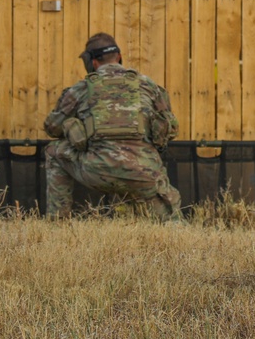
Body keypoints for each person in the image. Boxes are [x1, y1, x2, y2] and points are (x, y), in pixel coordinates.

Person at [43, 33, 182, 221]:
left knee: (53, 151)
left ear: (92, 62)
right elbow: (171, 129)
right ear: (118, 57)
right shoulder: (148, 86)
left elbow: (52, 128)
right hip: (144, 174)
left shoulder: (81, 89)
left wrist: (78, 126)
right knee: (172, 224)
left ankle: (57, 221)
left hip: (97, 171)